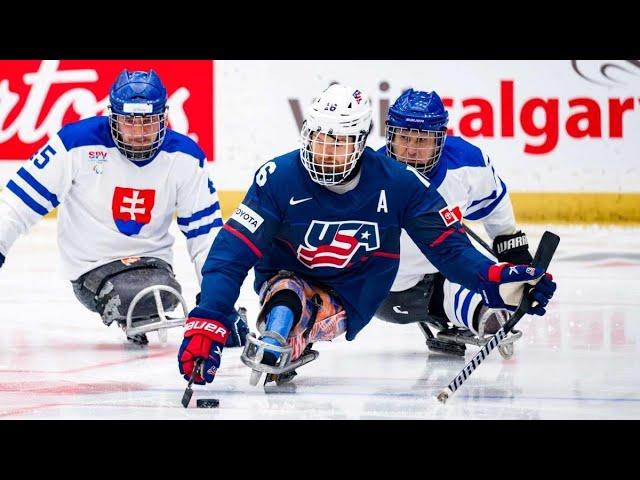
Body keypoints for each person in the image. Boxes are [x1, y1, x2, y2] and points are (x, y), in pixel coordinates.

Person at [176, 84, 556, 387]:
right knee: (287, 294)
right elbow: (231, 253)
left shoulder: (400, 183)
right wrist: (208, 317)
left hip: (357, 291)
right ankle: (285, 324)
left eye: (338, 142)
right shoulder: (276, 177)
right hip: (291, 274)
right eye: (319, 138)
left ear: (359, 143)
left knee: (302, 302)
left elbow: (449, 248)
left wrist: (494, 279)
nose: (325, 152)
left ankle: (301, 326)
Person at [0, 69, 248, 346]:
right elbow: (17, 203)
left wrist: (217, 301)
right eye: (130, 122)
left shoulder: (186, 157)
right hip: (91, 267)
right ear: (113, 116)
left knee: (161, 293)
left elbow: (206, 237)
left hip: (154, 264)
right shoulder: (74, 144)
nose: (140, 133)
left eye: (149, 122)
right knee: (138, 295)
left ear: (164, 117)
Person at [375, 89, 534, 359]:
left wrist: (513, 251)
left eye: (422, 139)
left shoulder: (467, 164)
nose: (411, 149)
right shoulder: (371, 177)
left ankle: (477, 312)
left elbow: (494, 202)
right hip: (385, 291)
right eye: (404, 138)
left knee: (482, 295)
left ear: (440, 140)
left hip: (446, 270)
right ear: (391, 136)